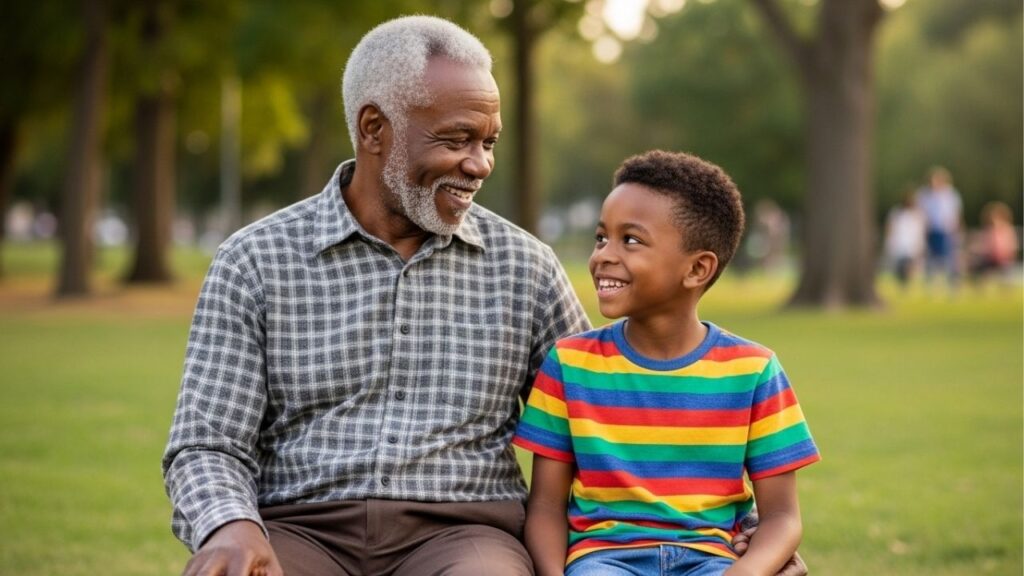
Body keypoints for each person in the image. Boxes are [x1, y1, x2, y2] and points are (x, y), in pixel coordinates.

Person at [161, 16, 592, 576]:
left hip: (465, 537)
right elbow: (207, 443)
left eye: (488, 142)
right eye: (457, 138)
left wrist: (734, 513)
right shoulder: (254, 261)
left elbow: (603, 417)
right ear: (373, 129)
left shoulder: (526, 267)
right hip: (298, 528)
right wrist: (230, 526)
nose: (479, 164)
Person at [513, 150, 820, 576]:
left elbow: (783, 518)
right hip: (604, 562)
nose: (603, 255)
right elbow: (546, 506)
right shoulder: (569, 364)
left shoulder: (754, 371)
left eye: (631, 240)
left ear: (697, 269)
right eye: (602, 237)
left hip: (714, 561)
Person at [916, 166, 963, 292]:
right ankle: (929, 285)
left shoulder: (951, 195)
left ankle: (952, 286)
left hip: (947, 231)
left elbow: (956, 215)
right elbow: (921, 214)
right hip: (931, 231)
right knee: (931, 259)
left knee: (950, 259)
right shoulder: (925, 195)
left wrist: (956, 230)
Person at [967, 200, 1019, 285]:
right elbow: (985, 246)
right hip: (990, 259)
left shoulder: (1007, 231)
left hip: (1003, 260)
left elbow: (1009, 249)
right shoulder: (989, 231)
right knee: (973, 264)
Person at [883, 190, 926, 290]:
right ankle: (902, 285)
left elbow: (920, 231)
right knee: (899, 268)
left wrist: (919, 244)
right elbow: (890, 228)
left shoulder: (918, 215)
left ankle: (906, 285)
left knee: (909, 267)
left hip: (911, 245)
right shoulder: (896, 213)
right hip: (899, 244)